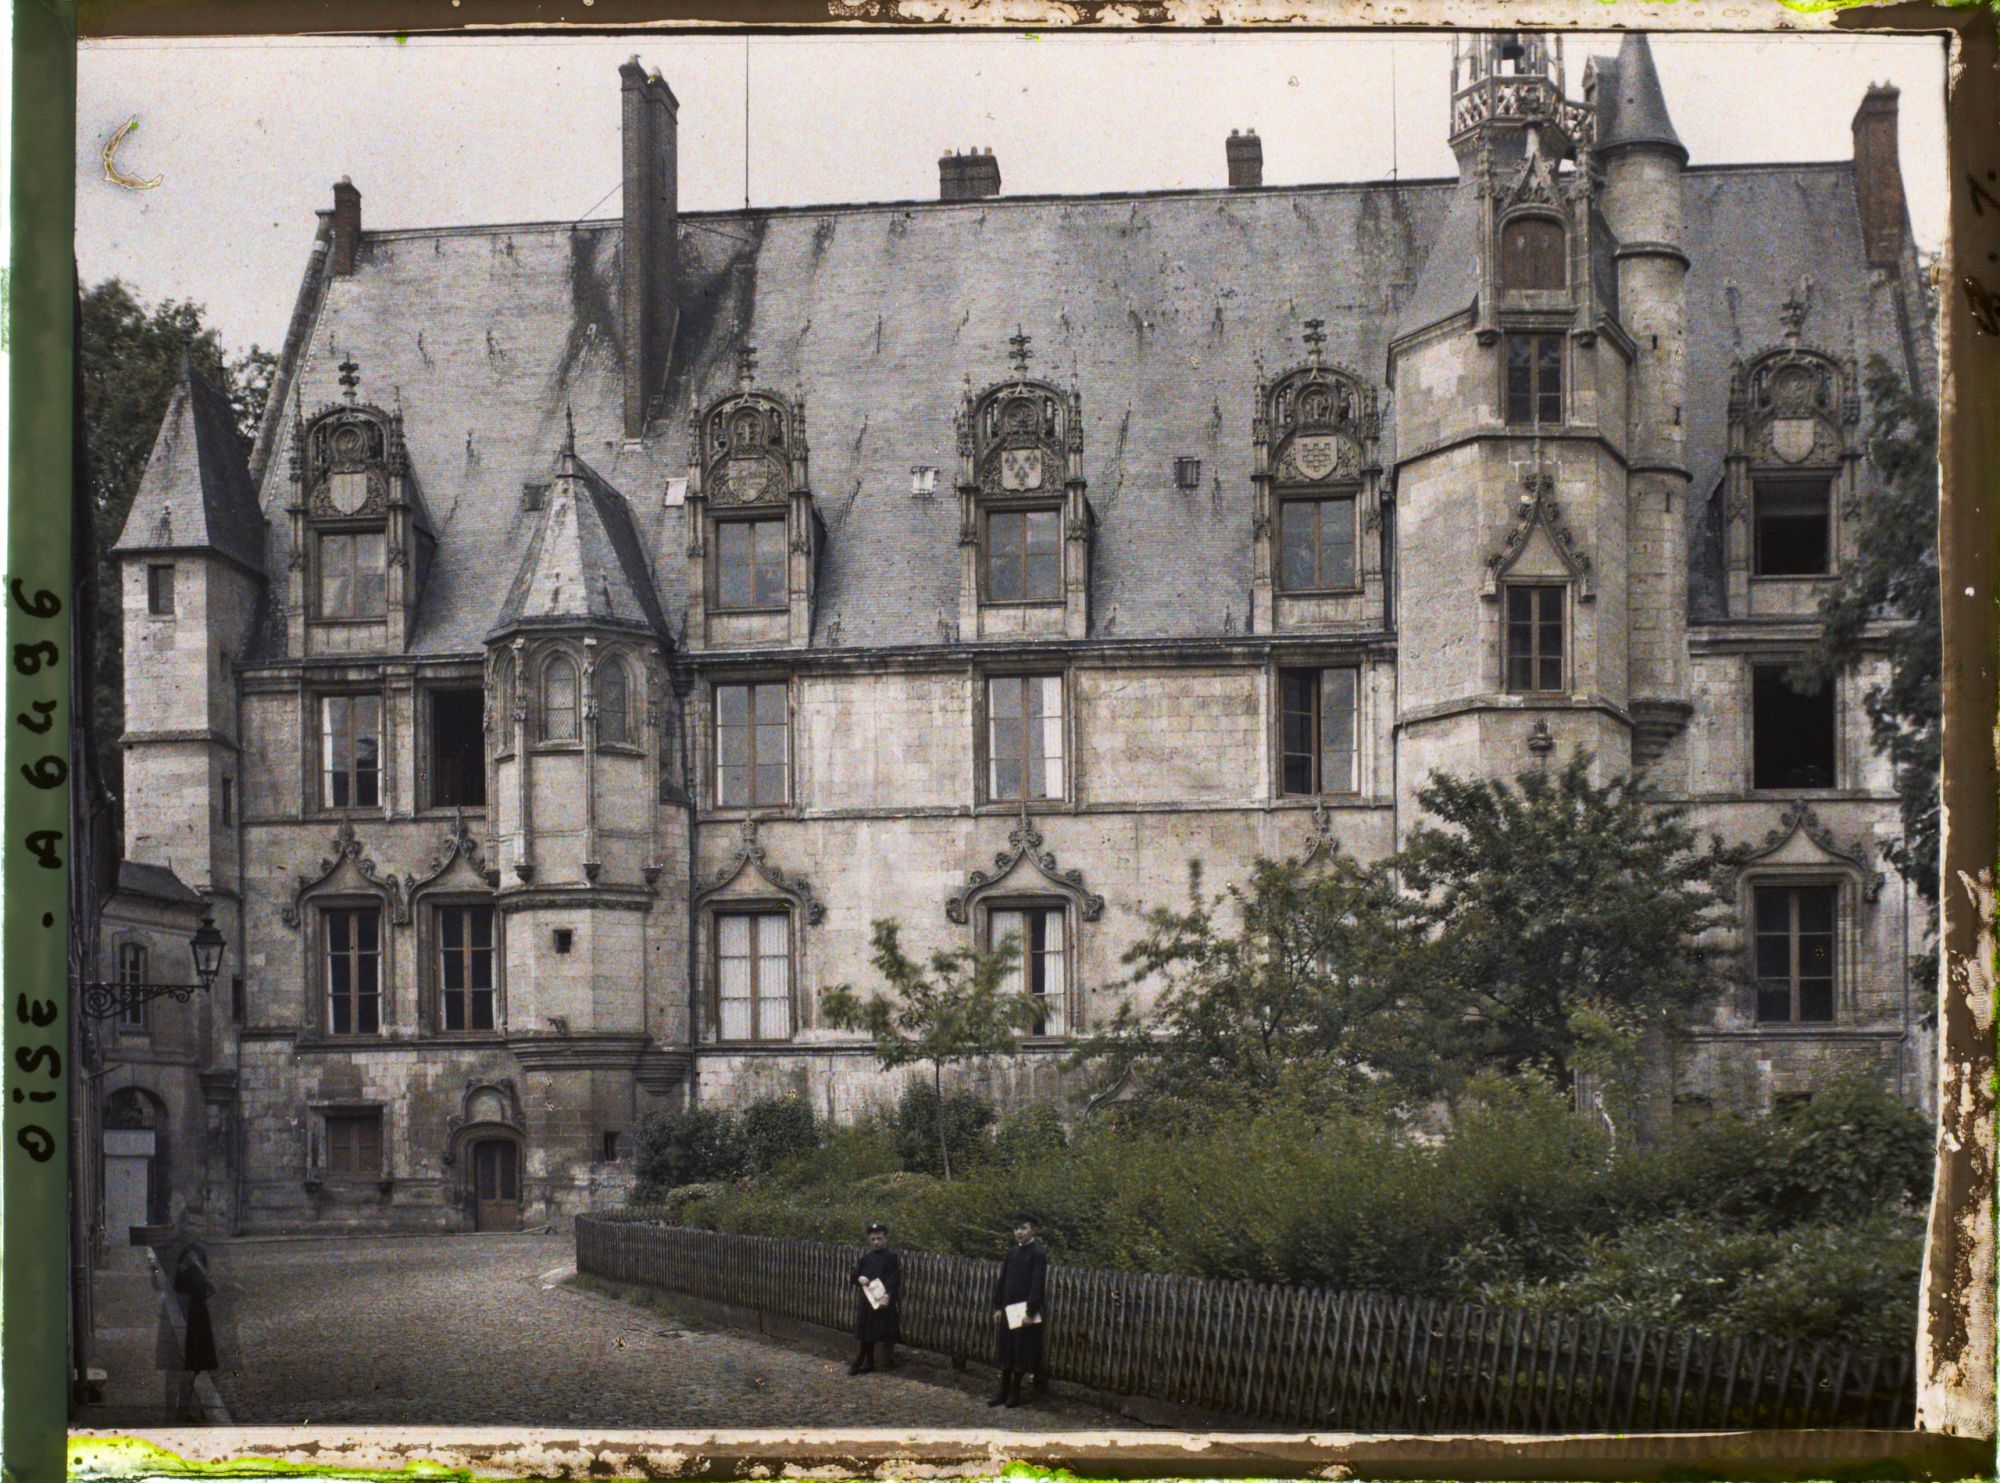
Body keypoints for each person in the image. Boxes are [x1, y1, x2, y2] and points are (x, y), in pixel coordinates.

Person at [988, 1213, 1048, 1408]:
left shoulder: (1038, 1253)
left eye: (1023, 1228)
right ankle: (1002, 1392)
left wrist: (1030, 1312)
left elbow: (1037, 1285)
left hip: (1024, 1309)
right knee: (1006, 1349)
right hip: (1008, 1307)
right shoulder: (1013, 1252)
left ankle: (1015, 1393)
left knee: (1021, 1350)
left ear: (1033, 1230)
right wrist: (998, 1306)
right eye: (1016, 1229)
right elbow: (1003, 1279)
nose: (1018, 1232)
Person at [848, 1221, 901, 1375]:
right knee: (866, 1331)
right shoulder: (866, 1259)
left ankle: (871, 1360)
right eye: (873, 1239)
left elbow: (894, 1279)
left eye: (879, 1238)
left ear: (885, 1239)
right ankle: (867, 1361)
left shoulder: (891, 1258)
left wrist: (888, 1296)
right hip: (868, 1301)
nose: (876, 1242)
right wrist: (860, 1278)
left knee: (881, 1332)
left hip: (883, 1301)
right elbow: (854, 1276)